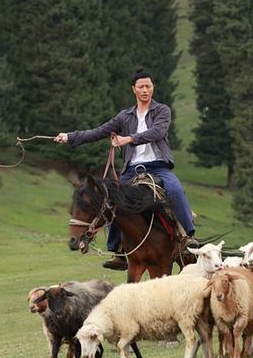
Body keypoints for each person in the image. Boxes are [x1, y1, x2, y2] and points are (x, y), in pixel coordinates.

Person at [55, 69, 196, 269]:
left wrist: (128, 139)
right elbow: (99, 131)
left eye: (148, 86)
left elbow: (157, 132)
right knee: (112, 198)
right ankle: (118, 251)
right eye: (141, 87)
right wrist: (70, 136)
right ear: (134, 90)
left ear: (153, 88)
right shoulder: (125, 117)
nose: (145, 90)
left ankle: (188, 238)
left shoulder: (162, 111)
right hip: (131, 170)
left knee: (175, 189)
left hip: (158, 166)